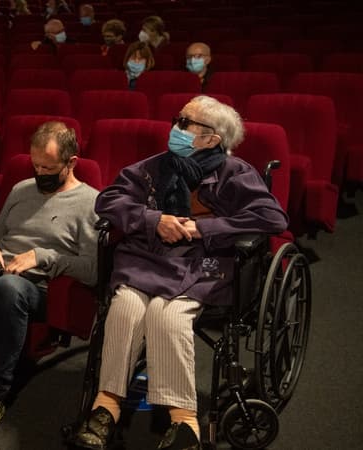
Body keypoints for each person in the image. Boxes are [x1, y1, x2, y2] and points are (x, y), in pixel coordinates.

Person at [69, 96, 288, 450]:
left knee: (166, 318)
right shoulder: (155, 166)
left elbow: (272, 218)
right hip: (147, 259)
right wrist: (156, 220)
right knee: (124, 309)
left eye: (185, 123)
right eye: (178, 120)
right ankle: (105, 407)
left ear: (212, 138)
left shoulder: (236, 174)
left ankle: (184, 422)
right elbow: (109, 200)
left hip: (201, 266)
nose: (176, 128)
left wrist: (206, 229)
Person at [0, 121, 100, 441]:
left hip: (39, 287)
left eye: (48, 167)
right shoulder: (21, 190)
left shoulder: (89, 202)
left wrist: (42, 256)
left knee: (9, 288)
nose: (39, 172)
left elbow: (93, 269)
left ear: (71, 162)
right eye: (35, 165)